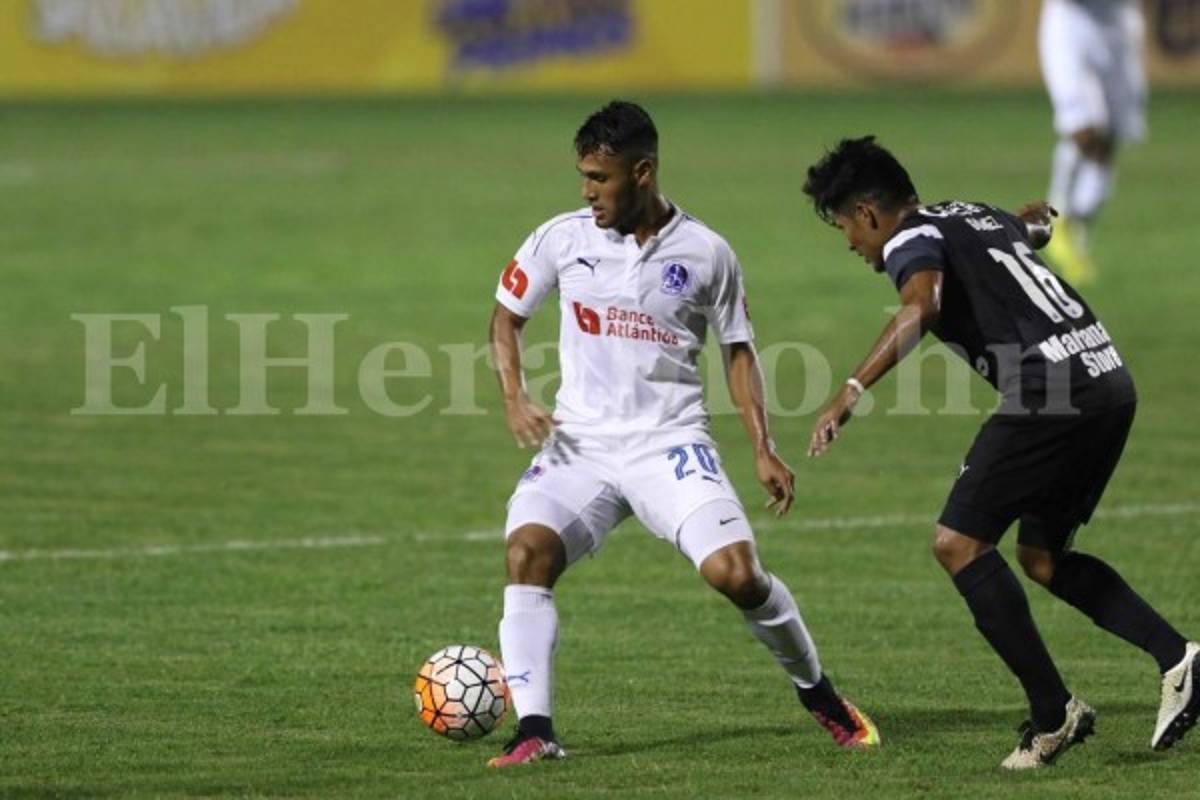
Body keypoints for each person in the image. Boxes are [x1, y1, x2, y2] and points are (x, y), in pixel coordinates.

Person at [485, 101, 879, 768]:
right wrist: (515, 397)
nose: (586, 191)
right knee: (528, 554)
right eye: (582, 175)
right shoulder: (560, 238)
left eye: (598, 178)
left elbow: (739, 352)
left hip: (669, 445)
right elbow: (505, 317)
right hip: (580, 444)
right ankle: (535, 731)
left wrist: (761, 445)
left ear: (642, 172)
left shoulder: (707, 253)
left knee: (738, 574)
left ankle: (820, 695)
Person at [800, 136, 1197, 769]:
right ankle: (1180, 658)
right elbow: (1030, 224)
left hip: (1051, 391)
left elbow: (922, 304)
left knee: (957, 543)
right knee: (1041, 557)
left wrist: (850, 390)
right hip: (1108, 378)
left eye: (846, 226)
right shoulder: (971, 213)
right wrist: (1036, 220)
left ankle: (1052, 713)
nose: (851, 243)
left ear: (869, 212)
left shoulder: (907, 240)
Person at [1038, 0, 1147, 284]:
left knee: (1109, 138)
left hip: (1120, 23)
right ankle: (1057, 217)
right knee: (1084, 127)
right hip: (1071, 22)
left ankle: (1079, 227)